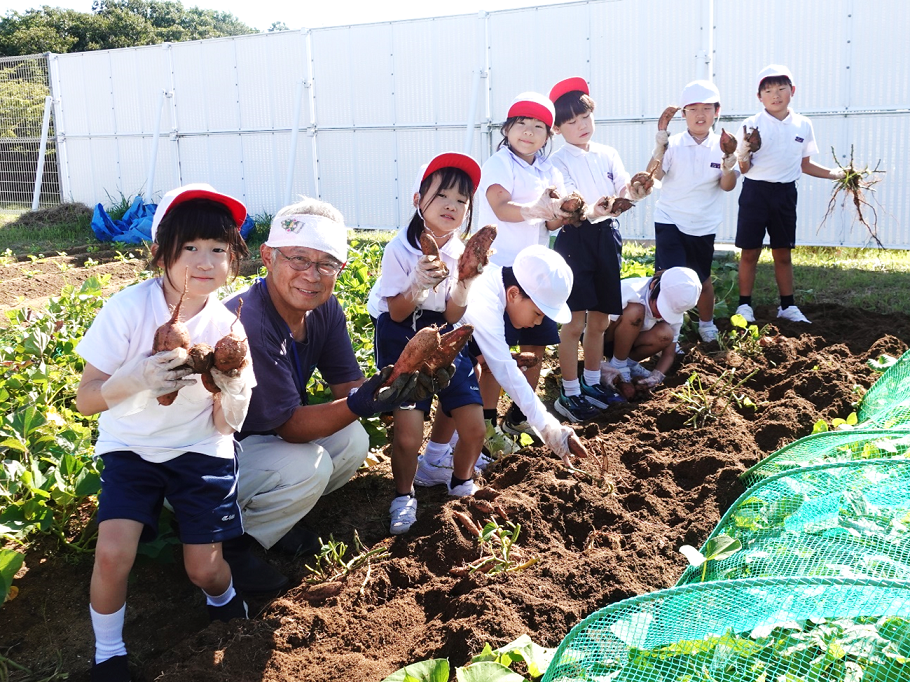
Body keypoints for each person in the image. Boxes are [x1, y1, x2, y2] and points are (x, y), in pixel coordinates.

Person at [75, 183, 255, 682]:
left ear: (235, 259)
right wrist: (133, 379)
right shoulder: (128, 310)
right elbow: (84, 399)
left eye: (218, 249)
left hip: (199, 446)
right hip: (131, 443)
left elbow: (224, 426)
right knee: (113, 553)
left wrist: (231, 393)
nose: (204, 261)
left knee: (204, 569)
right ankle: (108, 653)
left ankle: (224, 596)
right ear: (162, 254)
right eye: (190, 248)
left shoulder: (228, 328)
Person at [222, 197, 432, 593]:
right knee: (310, 466)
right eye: (298, 259)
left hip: (255, 440)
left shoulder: (325, 310)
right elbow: (291, 428)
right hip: (200, 462)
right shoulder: (246, 320)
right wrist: (362, 402)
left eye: (326, 264)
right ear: (267, 257)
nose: (312, 275)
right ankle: (230, 546)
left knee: (352, 440)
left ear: (341, 269)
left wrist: (391, 386)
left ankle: (274, 521)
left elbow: (347, 388)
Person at [367, 152, 487, 534]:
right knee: (407, 432)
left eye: (462, 201)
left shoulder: (460, 251)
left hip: (444, 331)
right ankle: (404, 495)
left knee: (474, 426)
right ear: (419, 200)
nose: (452, 206)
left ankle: (459, 483)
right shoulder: (398, 250)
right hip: (401, 329)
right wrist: (417, 283)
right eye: (443, 196)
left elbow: (452, 316)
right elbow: (399, 313)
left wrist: (466, 280)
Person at [475, 91, 572, 449]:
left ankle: (520, 418)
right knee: (492, 351)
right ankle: (485, 425)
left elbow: (551, 224)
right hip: (499, 268)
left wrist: (564, 214)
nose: (528, 133)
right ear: (507, 128)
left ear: (549, 135)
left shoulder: (549, 170)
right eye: (521, 124)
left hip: (536, 271)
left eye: (538, 127)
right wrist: (536, 208)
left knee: (537, 344)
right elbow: (500, 207)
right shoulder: (499, 163)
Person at [548, 76, 635, 423]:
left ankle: (593, 382)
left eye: (584, 117)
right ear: (557, 128)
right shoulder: (557, 161)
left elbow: (625, 188)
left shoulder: (607, 153)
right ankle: (569, 393)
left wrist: (637, 187)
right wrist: (597, 208)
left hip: (608, 237)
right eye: (570, 121)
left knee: (599, 320)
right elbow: (571, 202)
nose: (581, 125)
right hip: (576, 238)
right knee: (573, 320)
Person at [733, 64, 845, 325]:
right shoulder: (751, 125)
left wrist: (837, 174)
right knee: (749, 252)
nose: (776, 95)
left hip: (785, 194)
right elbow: (744, 167)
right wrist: (743, 154)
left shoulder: (803, 124)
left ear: (792, 91)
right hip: (754, 193)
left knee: (782, 252)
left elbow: (805, 165)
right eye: (768, 90)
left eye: (781, 88)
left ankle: (787, 306)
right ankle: (744, 306)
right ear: (759, 96)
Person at [463, 244, 585, 465]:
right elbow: (506, 372)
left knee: (472, 365)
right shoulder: (486, 301)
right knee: (469, 369)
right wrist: (551, 431)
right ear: (513, 294)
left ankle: (448, 449)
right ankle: (443, 453)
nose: (537, 322)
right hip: (400, 325)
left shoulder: (498, 287)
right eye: (537, 313)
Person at [649, 80, 740, 343]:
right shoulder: (673, 144)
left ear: (717, 111)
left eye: (707, 108)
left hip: (703, 223)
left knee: (702, 279)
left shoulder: (723, 145)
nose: (700, 115)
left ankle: (706, 324)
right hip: (670, 219)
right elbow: (653, 178)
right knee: (668, 278)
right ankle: (668, 332)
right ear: (683, 114)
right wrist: (659, 147)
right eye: (693, 109)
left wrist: (728, 167)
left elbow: (728, 186)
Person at [602, 267, 702, 397]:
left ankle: (628, 364)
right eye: (660, 306)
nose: (660, 314)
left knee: (666, 334)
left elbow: (669, 354)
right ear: (654, 285)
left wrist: (657, 376)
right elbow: (593, 331)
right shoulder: (629, 291)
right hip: (604, 340)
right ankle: (618, 364)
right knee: (636, 311)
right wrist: (598, 365)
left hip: (630, 345)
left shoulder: (677, 308)